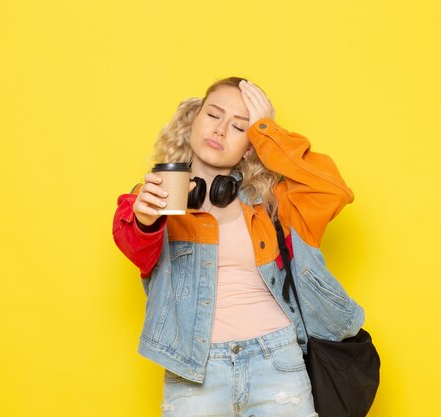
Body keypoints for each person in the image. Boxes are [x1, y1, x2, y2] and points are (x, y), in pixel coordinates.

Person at [112, 77, 364, 416]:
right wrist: (145, 219)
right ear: (194, 121)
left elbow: (332, 191)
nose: (220, 130)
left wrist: (267, 130)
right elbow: (136, 249)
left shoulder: (274, 204)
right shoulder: (152, 198)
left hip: (277, 362)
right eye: (214, 115)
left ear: (250, 147)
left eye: (239, 126)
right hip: (193, 370)